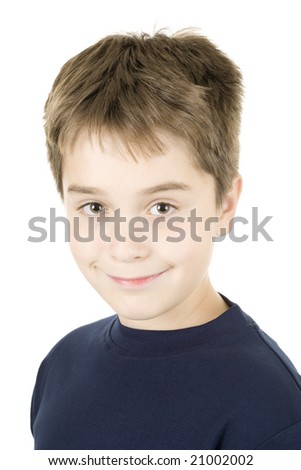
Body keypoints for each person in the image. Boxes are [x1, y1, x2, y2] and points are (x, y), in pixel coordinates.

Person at [30, 29, 301, 450]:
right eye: (96, 209)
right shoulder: (61, 364)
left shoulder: (271, 412)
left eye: (162, 208)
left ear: (224, 205)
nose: (126, 247)